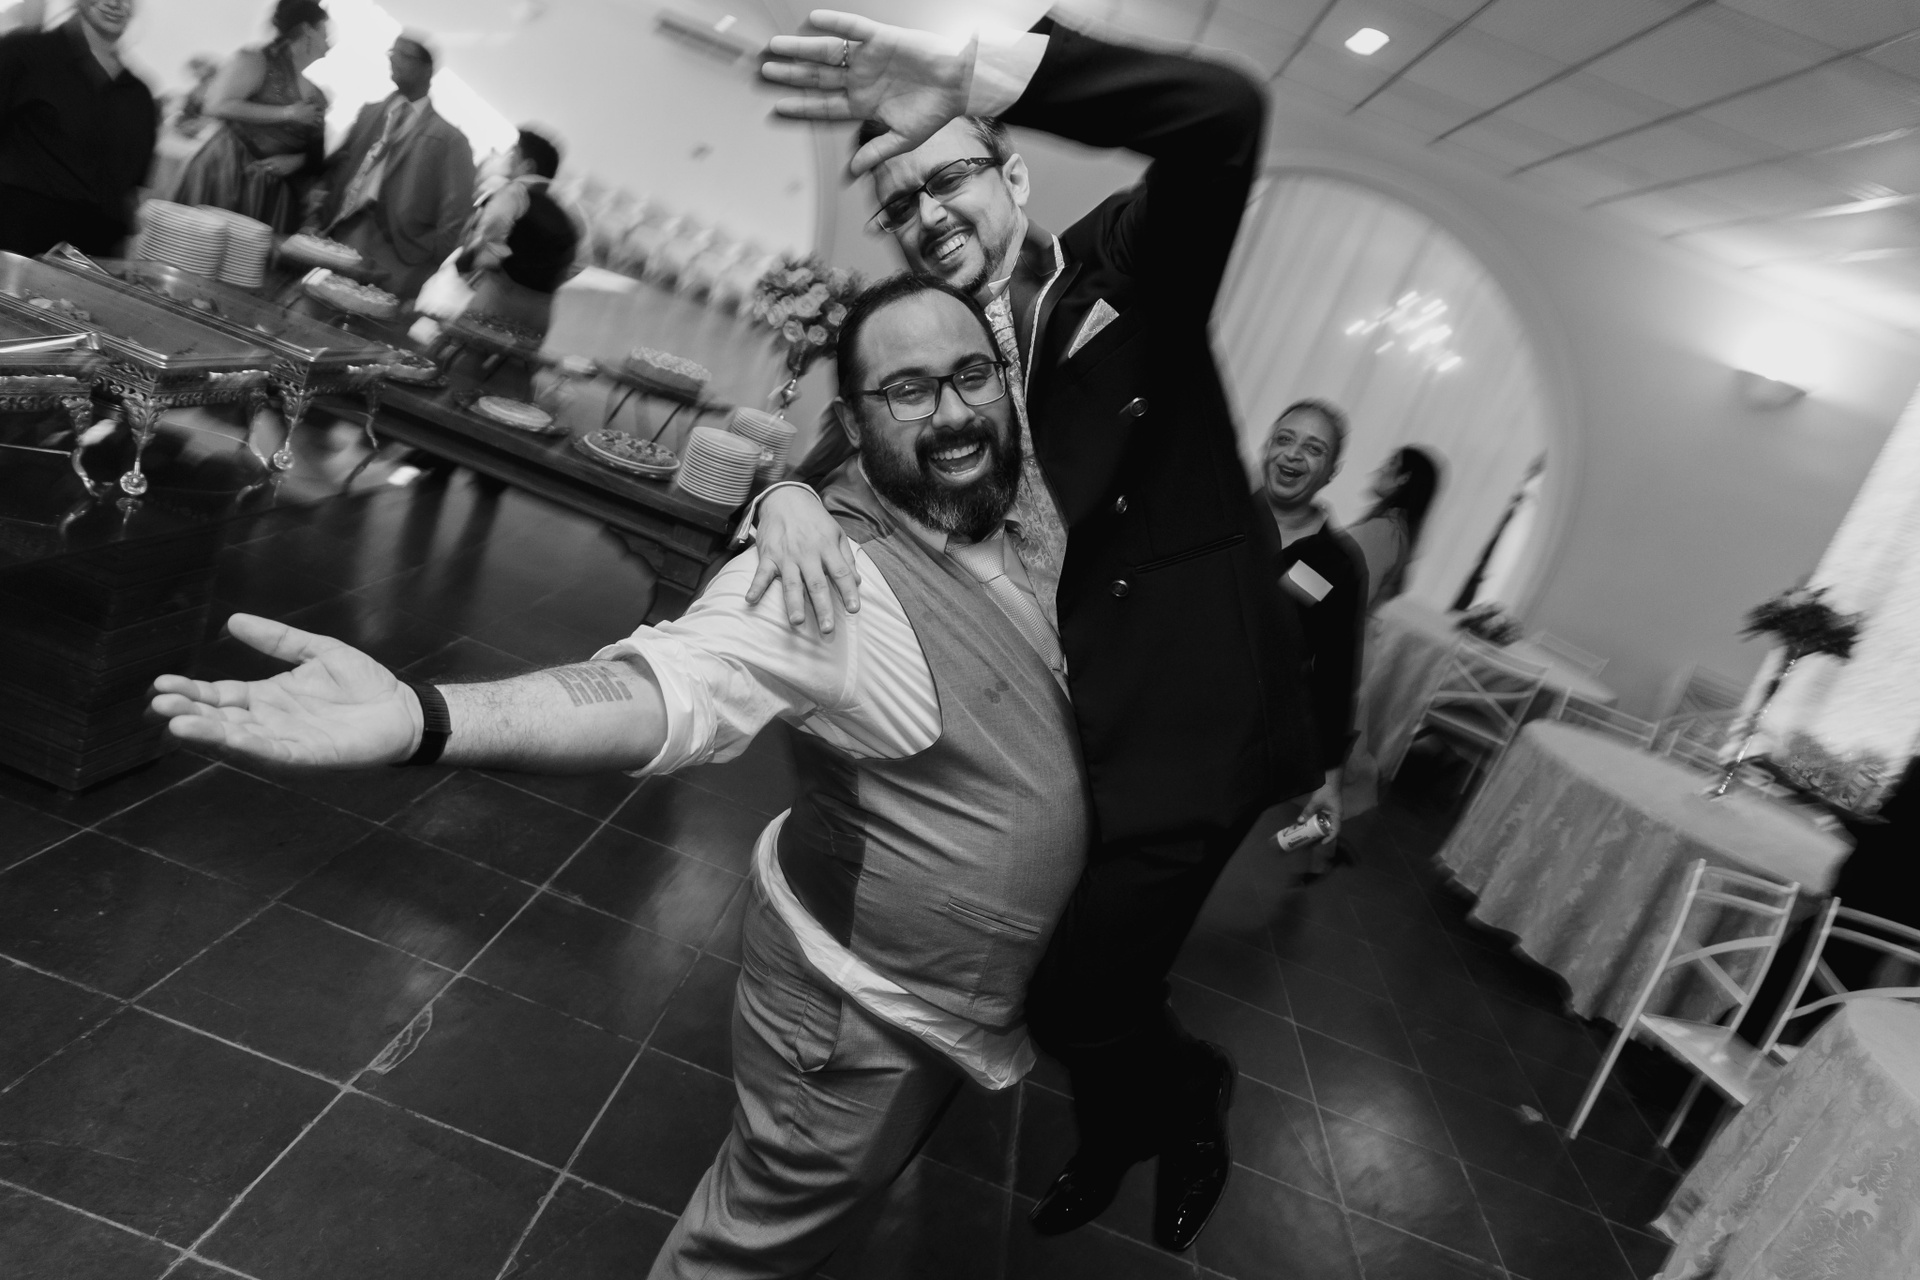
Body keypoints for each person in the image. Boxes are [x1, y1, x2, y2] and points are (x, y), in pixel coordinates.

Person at [150, 274, 1093, 1280]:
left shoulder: (1033, 513)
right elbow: (667, 687)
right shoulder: (826, 586)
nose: (953, 412)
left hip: (935, 988)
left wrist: (785, 488)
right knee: (746, 1251)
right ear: (855, 424)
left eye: (971, 376)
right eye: (908, 389)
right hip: (858, 1001)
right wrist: (427, 718)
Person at [753, 9, 1323, 1250]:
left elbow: (1223, 120)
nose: (929, 215)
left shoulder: (1125, 267)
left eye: (949, 177)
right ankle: (1119, 1126)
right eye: (901, 205)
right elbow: (830, 454)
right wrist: (786, 493)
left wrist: (990, 70)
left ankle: (1187, 1095)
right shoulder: (932, 352)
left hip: (1186, 718)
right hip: (1054, 739)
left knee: (1079, 994)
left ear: (1011, 176)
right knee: (1062, 979)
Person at [1259, 400, 1367, 877]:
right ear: (1266, 448)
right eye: (1284, 439)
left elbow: (1336, 674)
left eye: (1313, 448)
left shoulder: (1336, 564)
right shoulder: (1219, 518)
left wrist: (1330, 778)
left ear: (1331, 472)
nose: (1293, 455)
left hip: (1247, 747)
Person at [312, 31, 474, 300]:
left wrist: (428, 263)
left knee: (366, 319)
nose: (394, 60)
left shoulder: (450, 140)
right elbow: (339, 166)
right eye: (392, 53)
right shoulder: (370, 113)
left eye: (403, 55)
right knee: (317, 301)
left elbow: (455, 214)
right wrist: (319, 215)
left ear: (427, 70)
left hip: (401, 256)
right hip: (342, 231)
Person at [0, 0, 157, 257]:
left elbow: (130, 192)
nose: (114, 3)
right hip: (17, 246)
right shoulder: (23, 53)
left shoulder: (139, 95)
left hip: (94, 258)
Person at [171, 0, 330, 234]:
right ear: (307, 30)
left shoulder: (318, 95)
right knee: (202, 243)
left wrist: (298, 161)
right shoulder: (256, 60)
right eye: (325, 30)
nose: (330, 40)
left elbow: (317, 152)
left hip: (272, 190)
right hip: (228, 171)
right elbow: (216, 105)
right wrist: (287, 113)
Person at [454, 126, 578, 334]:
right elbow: (580, 263)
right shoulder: (570, 212)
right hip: (542, 310)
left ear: (527, 166)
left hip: (499, 299)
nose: (507, 158)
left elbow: (491, 234)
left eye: (513, 154)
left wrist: (470, 263)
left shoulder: (513, 193)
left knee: (464, 349)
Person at [1345, 444, 1441, 610]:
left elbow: (1350, 598)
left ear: (1404, 478)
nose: (1379, 470)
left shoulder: (1384, 532)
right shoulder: (1394, 532)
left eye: (1390, 463)